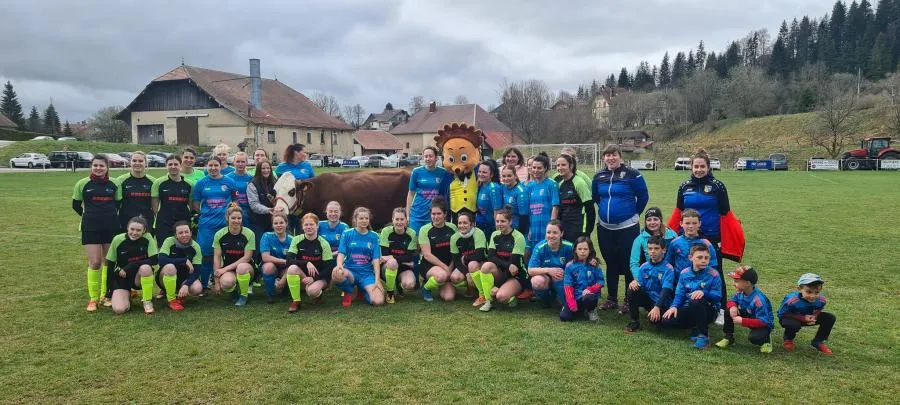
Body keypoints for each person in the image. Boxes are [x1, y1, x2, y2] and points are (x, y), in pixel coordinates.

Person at [670, 148, 741, 324]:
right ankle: (683, 303)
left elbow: (726, 214)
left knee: (715, 272)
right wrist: (672, 233)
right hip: (688, 236)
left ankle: (721, 310)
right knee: (686, 271)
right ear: (691, 168)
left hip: (710, 237)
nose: (699, 169)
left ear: (708, 167)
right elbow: (679, 211)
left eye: (702, 166)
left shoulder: (718, 186)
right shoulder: (684, 186)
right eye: (696, 166)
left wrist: (732, 239)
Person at [592, 144, 649, 314]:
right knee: (611, 262)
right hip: (605, 227)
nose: (611, 158)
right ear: (604, 158)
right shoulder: (599, 175)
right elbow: (596, 197)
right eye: (607, 155)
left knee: (628, 262)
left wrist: (634, 214)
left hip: (627, 227)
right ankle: (611, 298)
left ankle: (628, 299)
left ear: (620, 156)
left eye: (614, 155)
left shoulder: (633, 174)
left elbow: (644, 196)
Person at [73, 155, 121, 311]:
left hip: (111, 226)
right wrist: (89, 216)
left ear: (107, 167)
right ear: (91, 166)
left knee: (109, 261)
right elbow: (76, 205)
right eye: (95, 165)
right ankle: (93, 299)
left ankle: (105, 295)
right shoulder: (82, 183)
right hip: (90, 227)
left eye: (102, 165)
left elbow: (118, 203)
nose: (98, 168)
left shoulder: (115, 183)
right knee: (95, 262)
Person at [661, 244, 722, 350]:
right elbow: (680, 293)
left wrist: (704, 293)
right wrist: (674, 306)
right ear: (690, 258)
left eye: (706, 258)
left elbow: (717, 297)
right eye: (699, 257)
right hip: (688, 308)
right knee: (666, 322)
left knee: (696, 301)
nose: (703, 260)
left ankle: (703, 336)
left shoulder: (714, 274)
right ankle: (695, 326)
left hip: (709, 310)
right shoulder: (684, 273)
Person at [192, 158, 237, 292]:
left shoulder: (229, 182)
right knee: (206, 255)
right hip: (207, 225)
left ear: (220, 166)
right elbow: (195, 203)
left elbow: (235, 202)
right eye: (210, 165)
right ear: (206, 167)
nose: (213, 168)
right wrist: (207, 213)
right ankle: (205, 284)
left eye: (215, 165)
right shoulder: (201, 183)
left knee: (228, 254)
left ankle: (228, 281)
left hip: (225, 225)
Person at [333, 207, 385, 308]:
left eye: (366, 218)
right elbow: (341, 253)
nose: (364, 221)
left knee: (378, 302)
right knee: (337, 273)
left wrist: (377, 280)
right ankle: (349, 291)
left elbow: (375, 259)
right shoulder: (347, 233)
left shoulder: (374, 236)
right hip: (350, 271)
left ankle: (363, 290)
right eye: (361, 218)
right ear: (355, 219)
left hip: (366, 274)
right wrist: (339, 265)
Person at [715, 265, 774, 353]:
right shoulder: (741, 291)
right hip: (748, 315)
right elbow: (731, 300)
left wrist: (743, 321)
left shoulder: (758, 300)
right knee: (728, 310)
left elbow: (763, 321)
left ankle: (766, 341)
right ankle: (728, 337)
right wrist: (733, 306)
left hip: (762, 323)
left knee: (754, 338)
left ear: (748, 283)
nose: (733, 283)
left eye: (736, 281)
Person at [105, 216, 158, 315]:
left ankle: (147, 301)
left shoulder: (147, 237)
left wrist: (130, 266)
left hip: (138, 277)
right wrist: (109, 290)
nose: (134, 233)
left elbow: (154, 260)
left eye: (138, 230)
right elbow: (110, 266)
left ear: (144, 231)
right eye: (132, 229)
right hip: (122, 277)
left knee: (146, 268)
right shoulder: (117, 239)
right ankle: (127, 295)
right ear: (127, 228)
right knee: (120, 309)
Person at [479, 209, 528, 312]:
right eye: (497, 221)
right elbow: (491, 257)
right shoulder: (494, 235)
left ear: (510, 221)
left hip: (516, 275)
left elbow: (513, 265)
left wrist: (498, 286)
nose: (499, 224)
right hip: (503, 271)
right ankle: (488, 300)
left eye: (503, 221)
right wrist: (507, 266)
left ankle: (512, 296)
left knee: (501, 297)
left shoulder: (518, 237)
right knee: (486, 266)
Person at [285, 213, 335, 313]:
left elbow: (328, 268)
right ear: (302, 227)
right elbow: (288, 260)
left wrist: (314, 278)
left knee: (311, 291)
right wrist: (306, 262)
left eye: (311, 224)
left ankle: (319, 293)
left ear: (317, 226)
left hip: (320, 276)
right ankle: (296, 301)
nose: (309, 227)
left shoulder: (324, 243)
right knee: (292, 268)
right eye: (306, 225)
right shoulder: (296, 240)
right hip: (304, 275)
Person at [625, 235, 676, 333]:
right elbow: (640, 284)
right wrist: (635, 282)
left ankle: (657, 315)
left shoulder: (668, 268)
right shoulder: (644, 266)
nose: (652, 251)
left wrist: (657, 307)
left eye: (656, 248)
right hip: (649, 301)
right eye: (650, 248)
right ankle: (634, 321)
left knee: (656, 322)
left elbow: (666, 290)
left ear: (664, 250)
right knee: (632, 288)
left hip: (662, 303)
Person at [777, 273, 835, 356]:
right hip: (790, 318)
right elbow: (781, 314)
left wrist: (815, 316)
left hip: (807, 318)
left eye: (817, 292)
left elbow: (819, 308)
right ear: (800, 289)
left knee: (830, 318)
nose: (812, 296)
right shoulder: (791, 300)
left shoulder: (821, 300)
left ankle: (818, 341)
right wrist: (803, 318)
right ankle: (788, 339)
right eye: (809, 292)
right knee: (793, 324)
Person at [212, 203, 256, 306]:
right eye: (233, 218)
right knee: (226, 283)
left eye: (239, 218)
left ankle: (244, 295)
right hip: (228, 268)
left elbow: (247, 258)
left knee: (241, 267)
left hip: (246, 267)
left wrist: (225, 269)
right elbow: (217, 257)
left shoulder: (249, 233)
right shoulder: (219, 234)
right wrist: (217, 281)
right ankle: (234, 291)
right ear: (227, 217)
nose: (236, 221)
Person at [524, 152, 559, 282]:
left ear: (545, 168)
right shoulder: (530, 186)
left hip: (546, 227)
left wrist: (551, 229)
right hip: (533, 228)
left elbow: (555, 206)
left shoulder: (551, 184)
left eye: (539, 168)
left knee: (545, 255)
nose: (536, 170)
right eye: (534, 167)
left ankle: (546, 286)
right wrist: (529, 229)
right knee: (528, 254)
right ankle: (530, 284)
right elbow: (528, 210)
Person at [156, 221, 203, 311]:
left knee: (197, 289)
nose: (184, 235)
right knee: (170, 267)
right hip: (165, 275)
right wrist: (184, 260)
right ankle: (172, 299)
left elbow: (197, 270)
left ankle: (180, 293)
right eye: (180, 233)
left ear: (191, 233)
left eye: (186, 232)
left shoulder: (195, 246)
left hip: (183, 278)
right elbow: (161, 261)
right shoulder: (169, 241)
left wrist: (186, 284)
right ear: (175, 235)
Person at [418, 197, 459, 302]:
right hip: (429, 265)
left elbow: (455, 252)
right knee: (441, 276)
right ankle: (426, 287)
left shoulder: (453, 228)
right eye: (433, 214)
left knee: (449, 298)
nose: (435, 217)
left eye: (438, 214)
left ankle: (442, 282)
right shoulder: (424, 230)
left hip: (449, 264)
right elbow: (427, 255)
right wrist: (446, 268)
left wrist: (450, 267)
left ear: (445, 214)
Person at [664, 209, 719, 285]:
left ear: (699, 223)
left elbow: (713, 265)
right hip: (679, 283)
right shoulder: (674, 243)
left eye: (694, 223)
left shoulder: (706, 243)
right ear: (681, 223)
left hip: (700, 283)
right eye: (687, 223)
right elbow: (669, 264)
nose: (690, 226)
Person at [527, 220, 575, 307]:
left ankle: (559, 297)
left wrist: (592, 260)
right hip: (546, 277)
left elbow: (581, 260)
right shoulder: (540, 247)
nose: (551, 236)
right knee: (537, 281)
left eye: (555, 233)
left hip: (562, 278)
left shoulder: (569, 246)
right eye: (548, 232)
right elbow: (530, 270)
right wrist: (549, 270)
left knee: (563, 302)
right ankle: (545, 300)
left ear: (562, 233)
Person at [406, 146, 451, 233]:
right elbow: (411, 194)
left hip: (434, 215)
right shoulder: (416, 172)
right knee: (416, 242)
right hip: (417, 213)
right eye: (426, 156)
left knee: (432, 241)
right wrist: (408, 215)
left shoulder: (443, 172)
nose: (428, 159)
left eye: (430, 156)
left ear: (436, 158)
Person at [379, 208, 419, 304]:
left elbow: (409, 257)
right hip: (388, 267)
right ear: (392, 220)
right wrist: (403, 260)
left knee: (409, 284)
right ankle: (390, 293)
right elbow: (384, 256)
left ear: (406, 220)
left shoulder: (411, 234)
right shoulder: (386, 232)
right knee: (392, 263)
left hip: (403, 268)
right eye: (397, 219)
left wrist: (391, 257)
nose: (399, 222)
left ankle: (398, 284)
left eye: (402, 219)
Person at [560, 236, 605, 322]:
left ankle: (591, 310)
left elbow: (601, 281)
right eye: (579, 249)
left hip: (588, 296)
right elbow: (568, 286)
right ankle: (577, 309)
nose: (582, 251)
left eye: (585, 249)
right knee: (564, 317)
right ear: (575, 250)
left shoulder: (595, 264)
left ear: (590, 250)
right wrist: (571, 302)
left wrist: (591, 289)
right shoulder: (570, 266)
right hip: (575, 297)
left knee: (589, 298)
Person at [152, 155, 193, 246]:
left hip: (183, 222)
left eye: (176, 164)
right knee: (165, 249)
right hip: (164, 223)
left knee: (183, 249)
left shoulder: (189, 184)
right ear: (166, 166)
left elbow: (191, 206)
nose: (173, 166)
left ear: (180, 166)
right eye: (170, 164)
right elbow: (155, 207)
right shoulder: (159, 182)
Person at [554, 153, 594, 244]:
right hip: (564, 228)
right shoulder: (559, 184)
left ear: (571, 166)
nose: (560, 167)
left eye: (563, 165)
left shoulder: (579, 183)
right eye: (558, 165)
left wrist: (587, 232)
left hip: (578, 228)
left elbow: (590, 209)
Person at [629, 207, 677, 281]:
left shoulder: (672, 235)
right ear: (645, 222)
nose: (652, 222)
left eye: (655, 219)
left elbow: (678, 258)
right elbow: (634, 264)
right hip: (649, 276)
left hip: (668, 275)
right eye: (649, 220)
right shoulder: (639, 239)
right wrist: (640, 279)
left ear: (660, 220)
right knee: (632, 290)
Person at [449, 211, 487, 305]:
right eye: (459, 223)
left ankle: (483, 294)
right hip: (466, 265)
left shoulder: (479, 233)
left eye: (465, 223)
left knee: (472, 265)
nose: (462, 225)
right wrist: (466, 274)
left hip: (482, 263)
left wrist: (465, 258)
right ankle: (470, 289)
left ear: (472, 224)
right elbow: (456, 261)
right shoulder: (454, 238)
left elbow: (479, 256)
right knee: (454, 277)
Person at [116, 151, 156, 232]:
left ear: (146, 163)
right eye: (134, 161)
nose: (137, 163)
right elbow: (116, 204)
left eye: (140, 161)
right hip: (125, 222)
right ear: (130, 162)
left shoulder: (153, 181)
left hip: (146, 221)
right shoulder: (120, 181)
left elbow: (155, 206)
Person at [259, 213, 293, 304]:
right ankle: (270, 295)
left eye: (281, 223)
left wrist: (283, 280)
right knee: (268, 267)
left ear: (286, 223)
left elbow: (293, 262)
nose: (279, 225)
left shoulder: (292, 239)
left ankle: (285, 288)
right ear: (272, 225)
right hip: (273, 266)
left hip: (285, 269)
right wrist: (284, 261)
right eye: (276, 223)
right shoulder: (266, 236)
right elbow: (265, 257)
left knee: (293, 268)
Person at [247, 159, 277, 256]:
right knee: (259, 249)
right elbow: (254, 205)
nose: (266, 170)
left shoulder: (276, 182)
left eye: (268, 168)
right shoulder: (252, 184)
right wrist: (268, 210)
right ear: (258, 170)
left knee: (273, 248)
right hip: (258, 222)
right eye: (263, 168)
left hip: (273, 222)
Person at [475, 158, 503, 236]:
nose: (481, 174)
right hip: (484, 226)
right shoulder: (481, 186)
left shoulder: (494, 188)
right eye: (479, 171)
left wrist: (497, 233)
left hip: (492, 228)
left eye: (484, 172)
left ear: (491, 174)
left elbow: (497, 212)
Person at [226, 152, 254, 228]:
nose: (240, 164)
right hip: (233, 214)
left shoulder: (252, 178)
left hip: (248, 213)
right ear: (233, 162)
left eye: (243, 162)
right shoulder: (227, 178)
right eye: (238, 162)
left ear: (247, 163)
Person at [499, 165, 529, 235]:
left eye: (509, 176)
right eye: (504, 176)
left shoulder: (521, 192)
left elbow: (524, 217)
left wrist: (519, 234)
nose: (506, 178)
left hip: (517, 229)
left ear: (515, 176)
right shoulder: (503, 188)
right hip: (506, 228)